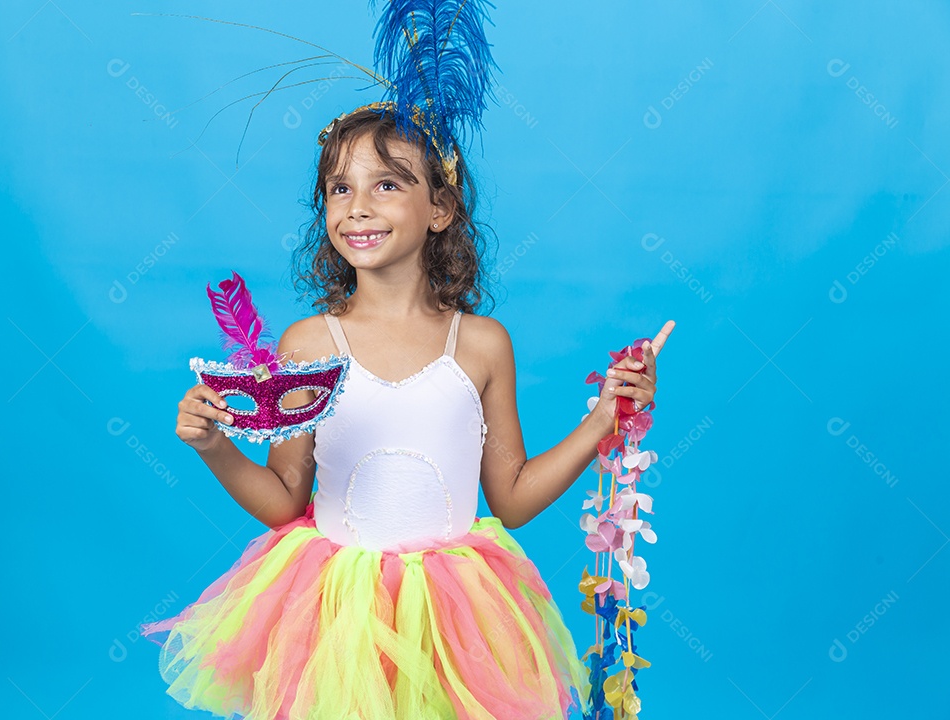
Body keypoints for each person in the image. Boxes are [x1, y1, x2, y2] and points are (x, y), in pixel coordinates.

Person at [142, 102, 673, 719]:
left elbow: (515, 498)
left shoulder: (480, 345)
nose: (357, 206)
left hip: (455, 612)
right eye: (340, 188)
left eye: (387, 184)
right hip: (336, 609)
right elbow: (286, 497)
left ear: (439, 209)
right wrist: (214, 445)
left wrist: (605, 418)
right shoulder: (307, 345)